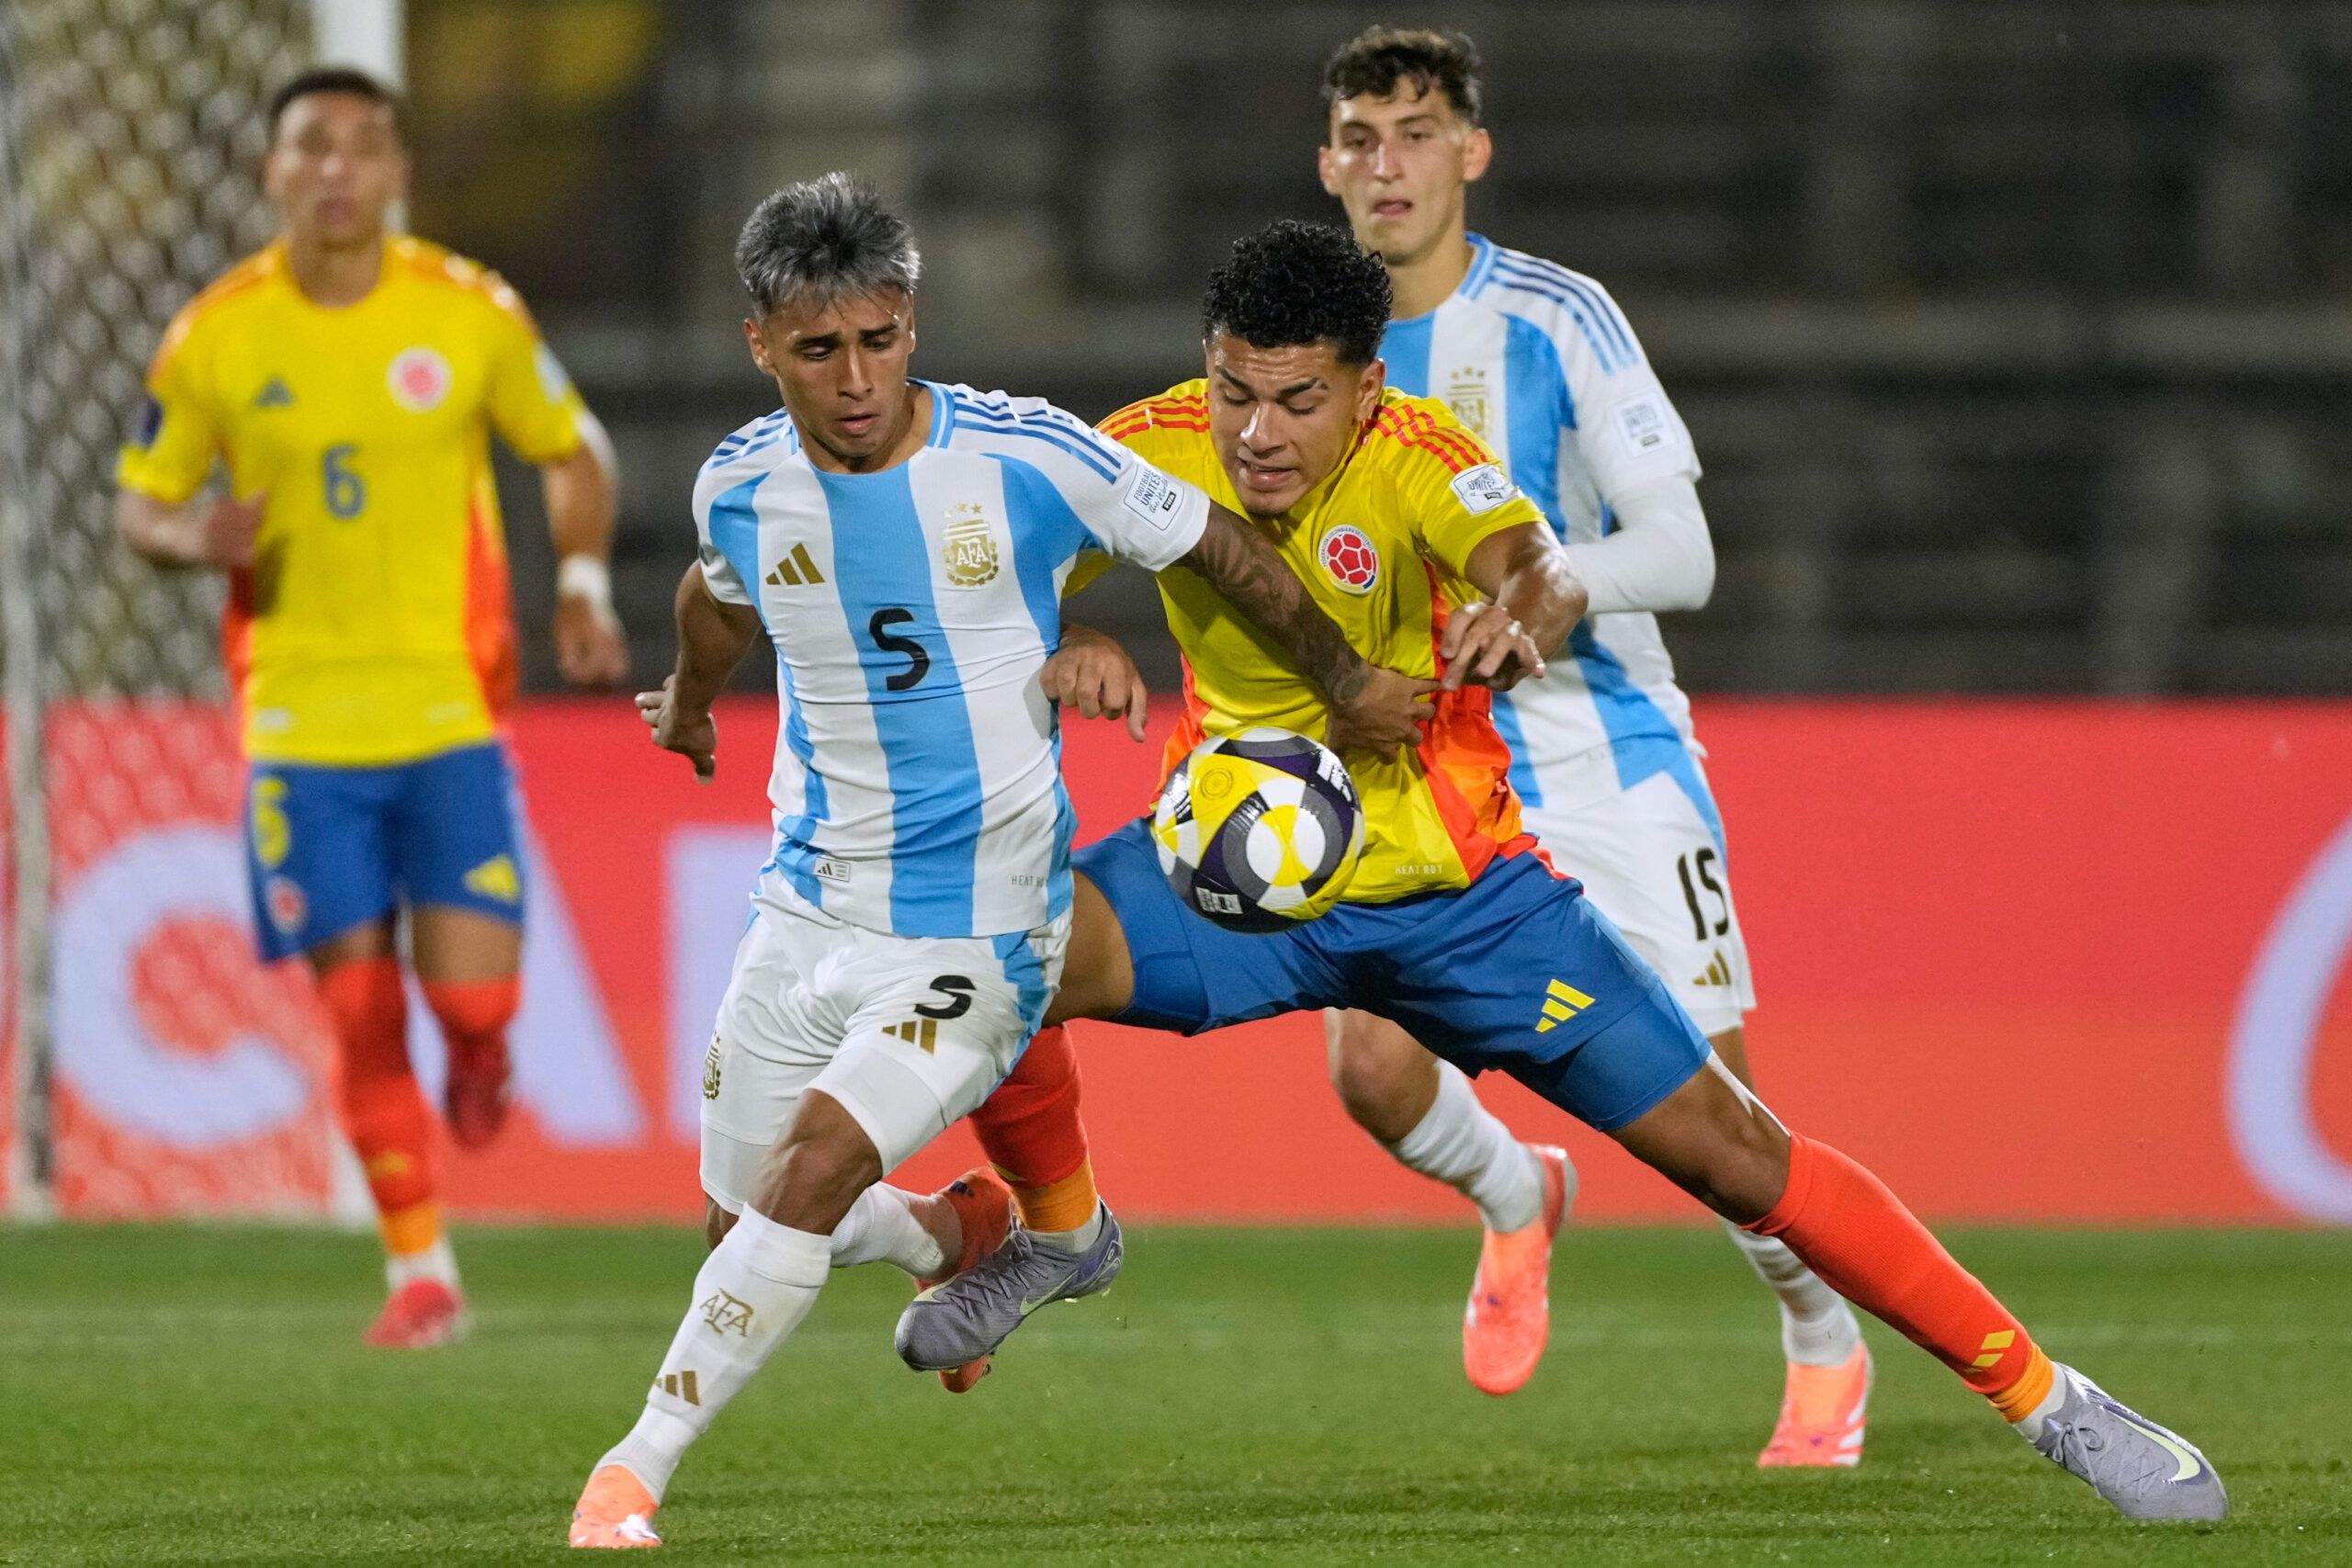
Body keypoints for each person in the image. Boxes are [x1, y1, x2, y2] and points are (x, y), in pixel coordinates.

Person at [897, 219, 2225, 1524]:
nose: (1256, 432)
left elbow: (1528, 561)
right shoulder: (1147, 446)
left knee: (1738, 1155)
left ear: (1367, 389)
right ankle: (1062, 1237)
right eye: (1235, 389)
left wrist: (1518, 612)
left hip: (1463, 901)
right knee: (989, 956)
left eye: (1299, 400)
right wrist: (1071, 634)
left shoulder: (1424, 454)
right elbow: (1008, 563)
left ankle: (2053, 1401)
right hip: (1234, 886)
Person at [566, 175, 1425, 1550]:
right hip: (805, 906)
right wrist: (686, 701)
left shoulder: (1026, 460)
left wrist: (1335, 677)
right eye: (818, 350)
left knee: (810, 1173)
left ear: (913, 323)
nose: (855, 380)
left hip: (980, 931)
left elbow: (1207, 539)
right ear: (761, 346)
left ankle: (632, 1472)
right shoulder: (740, 485)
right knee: (740, 1223)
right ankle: (953, 1236)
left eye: (881, 340)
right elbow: (715, 598)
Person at [1306, 25, 1876, 1457]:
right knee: (1370, 1067)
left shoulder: (1558, 319)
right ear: (1328, 163)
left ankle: (1824, 1331)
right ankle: (1519, 1194)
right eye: (1363, 138)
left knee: (1720, 1121)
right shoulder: (1310, 353)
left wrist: (1556, 583)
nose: (1390, 166)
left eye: (1418, 133)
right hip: (1428, 768)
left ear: (1471, 153)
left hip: (1601, 751)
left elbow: (1683, 551)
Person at [113, 66, 628, 1349]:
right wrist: (191, 536)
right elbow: (139, 498)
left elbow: (574, 450)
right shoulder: (216, 336)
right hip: (296, 728)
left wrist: (575, 578)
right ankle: (422, 1271)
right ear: (272, 171)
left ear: (396, 172)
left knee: (470, 1007)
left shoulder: (466, 315)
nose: (335, 168)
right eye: (310, 147)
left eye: (361, 147)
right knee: (354, 1007)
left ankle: (487, 1054)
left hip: (449, 716)